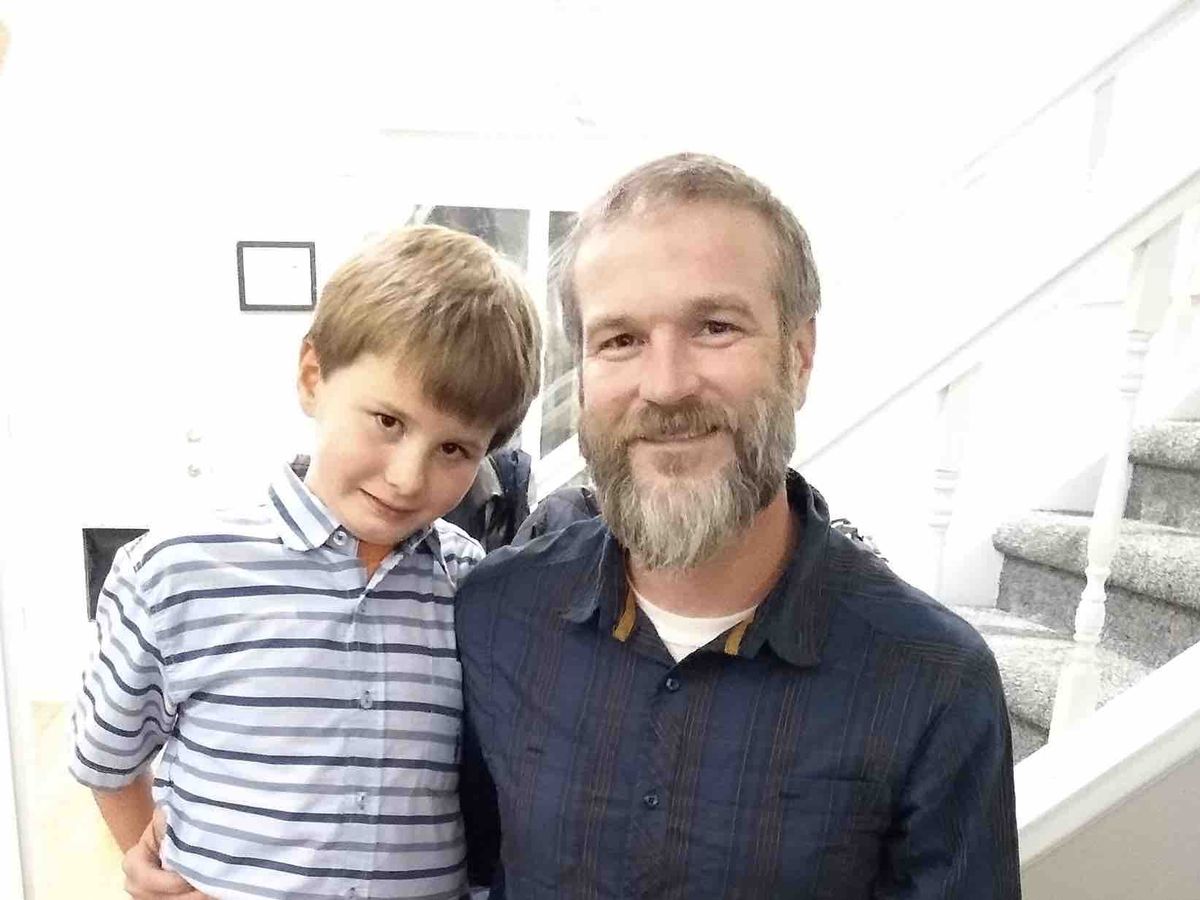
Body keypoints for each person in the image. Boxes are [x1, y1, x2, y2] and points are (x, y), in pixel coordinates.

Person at [455, 153, 1021, 898]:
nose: (666, 386)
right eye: (620, 339)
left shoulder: (933, 682)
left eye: (715, 327)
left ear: (799, 357)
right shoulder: (494, 615)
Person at [71, 224, 541, 900]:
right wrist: (147, 863)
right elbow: (106, 755)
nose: (407, 478)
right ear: (312, 376)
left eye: (454, 450)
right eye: (388, 421)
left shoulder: (471, 583)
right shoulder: (175, 572)